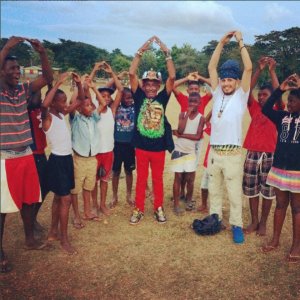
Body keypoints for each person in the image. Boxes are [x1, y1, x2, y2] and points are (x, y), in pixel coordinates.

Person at [1, 36, 53, 273]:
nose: (17, 72)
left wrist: (42, 53)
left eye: (18, 68)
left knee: (29, 201)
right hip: (4, 158)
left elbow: (47, 78)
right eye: (12, 68)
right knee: (2, 209)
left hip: (26, 155)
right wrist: (8, 48)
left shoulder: (22, 90)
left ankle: (30, 240)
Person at [207, 30, 252, 244]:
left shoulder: (242, 96)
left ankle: (236, 225)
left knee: (234, 193)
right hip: (214, 154)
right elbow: (211, 67)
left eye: (229, 80)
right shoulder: (216, 93)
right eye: (223, 80)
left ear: (236, 82)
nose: (225, 84)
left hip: (233, 155)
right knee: (214, 190)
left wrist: (240, 41)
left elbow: (249, 67)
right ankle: (215, 220)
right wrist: (221, 43)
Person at [128, 36, 175, 225]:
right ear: (142, 85)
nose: (150, 86)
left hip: (158, 147)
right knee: (141, 179)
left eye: (153, 84)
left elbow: (172, 77)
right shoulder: (138, 96)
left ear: (158, 86)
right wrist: (140, 51)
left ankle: (158, 208)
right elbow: (132, 74)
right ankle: (138, 209)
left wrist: (167, 53)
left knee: (157, 179)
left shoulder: (163, 98)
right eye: (146, 83)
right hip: (141, 146)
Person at [42, 71, 84, 255]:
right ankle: (64, 240)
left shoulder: (61, 114)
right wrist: (58, 82)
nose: (66, 104)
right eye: (62, 101)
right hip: (57, 161)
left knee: (59, 197)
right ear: (52, 103)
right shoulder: (48, 117)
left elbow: (80, 100)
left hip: (66, 159)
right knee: (66, 198)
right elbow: (44, 104)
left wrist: (79, 83)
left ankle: (53, 232)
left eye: (66, 100)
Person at [260, 74, 300, 264]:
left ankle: (296, 246)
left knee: (297, 208)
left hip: (297, 171)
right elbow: (266, 108)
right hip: (279, 169)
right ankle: (275, 240)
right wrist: (279, 91)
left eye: (293, 101)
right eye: (288, 101)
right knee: (281, 204)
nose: (289, 104)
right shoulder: (282, 117)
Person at [242, 57, 284, 236]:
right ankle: (254, 221)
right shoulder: (253, 108)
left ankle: (264, 223)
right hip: (252, 153)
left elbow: (279, 92)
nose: (260, 98)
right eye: (259, 95)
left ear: (271, 98)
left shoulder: (277, 109)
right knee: (252, 189)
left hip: (270, 155)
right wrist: (258, 71)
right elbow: (247, 91)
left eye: (264, 95)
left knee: (267, 191)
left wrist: (272, 71)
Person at [69, 76, 107, 228]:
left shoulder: (94, 118)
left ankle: (86, 212)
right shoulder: (75, 119)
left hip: (92, 159)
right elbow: (72, 103)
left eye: (91, 105)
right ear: (79, 108)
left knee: (88, 187)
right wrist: (79, 84)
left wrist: (93, 88)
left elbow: (103, 103)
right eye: (87, 105)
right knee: (75, 189)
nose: (91, 107)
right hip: (79, 159)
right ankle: (77, 215)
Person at [90, 62, 123, 216]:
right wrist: (95, 71)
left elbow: (121, 90)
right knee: (94, 181)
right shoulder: (93, 110)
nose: (106, 98)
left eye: (108, 96)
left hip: (108, 151)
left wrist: (112, 74)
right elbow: (85, 89)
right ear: (97, 98)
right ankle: (95, 205)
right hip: (95, 151)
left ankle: (103, 205)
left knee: (104, 180)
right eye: (102, 96)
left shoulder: (112, 110)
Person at [172, 73, 212, 201]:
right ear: (187, 91)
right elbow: (171, 86)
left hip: (196, 141)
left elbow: (217, 89)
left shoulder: (204, 99)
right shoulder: (183, 99)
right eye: (191, 89)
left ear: (200, 92)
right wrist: (186, 78)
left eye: (196, 89)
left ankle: (188, 195)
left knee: (191, 168)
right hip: (182, 143)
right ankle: (181, 192)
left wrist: (201, 78)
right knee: (180, 169)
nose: (194, 91)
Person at [171, 93, 204, 215]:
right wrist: (186, 116)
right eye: (190, 101)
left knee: (190, 178)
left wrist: (181, 135)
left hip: (190, 152)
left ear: (199, 103)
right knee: (178, 178)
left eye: (195, 102)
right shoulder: (182, 115)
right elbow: (180, 129)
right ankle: (176, 204)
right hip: (179, 150)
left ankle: (189, 200)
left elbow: (197, 136)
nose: (192, 104)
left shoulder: (201, 118)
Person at [28, 83, 53, 233]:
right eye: (38, 97)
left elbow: (50, 100)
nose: (41, 99)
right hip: (32, 156)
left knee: (46, 186)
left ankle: (32, 217)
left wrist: (51, 84)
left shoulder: (41, 111)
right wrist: (35, 91)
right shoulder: (27, 111)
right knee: (34, 192)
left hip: (42, 155)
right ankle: (30, 221)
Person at [109, 87, 136, 209]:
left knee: (129, 171)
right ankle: (114, 196)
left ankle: (129, 195)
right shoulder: (115, 108)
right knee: (116, 171)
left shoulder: (135, 107)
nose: (130, 100)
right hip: (117, 144)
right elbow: (111, 90)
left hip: (130, 145)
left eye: (131, 97)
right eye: (127, 97)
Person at [197, 110, 213, 213]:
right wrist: (215, 107)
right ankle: (204, 205)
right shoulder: (214, 129)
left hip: (219, 161)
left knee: (215, 186)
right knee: (204, 185)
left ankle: (214, 207)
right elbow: (206, 119)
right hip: (209, 160)